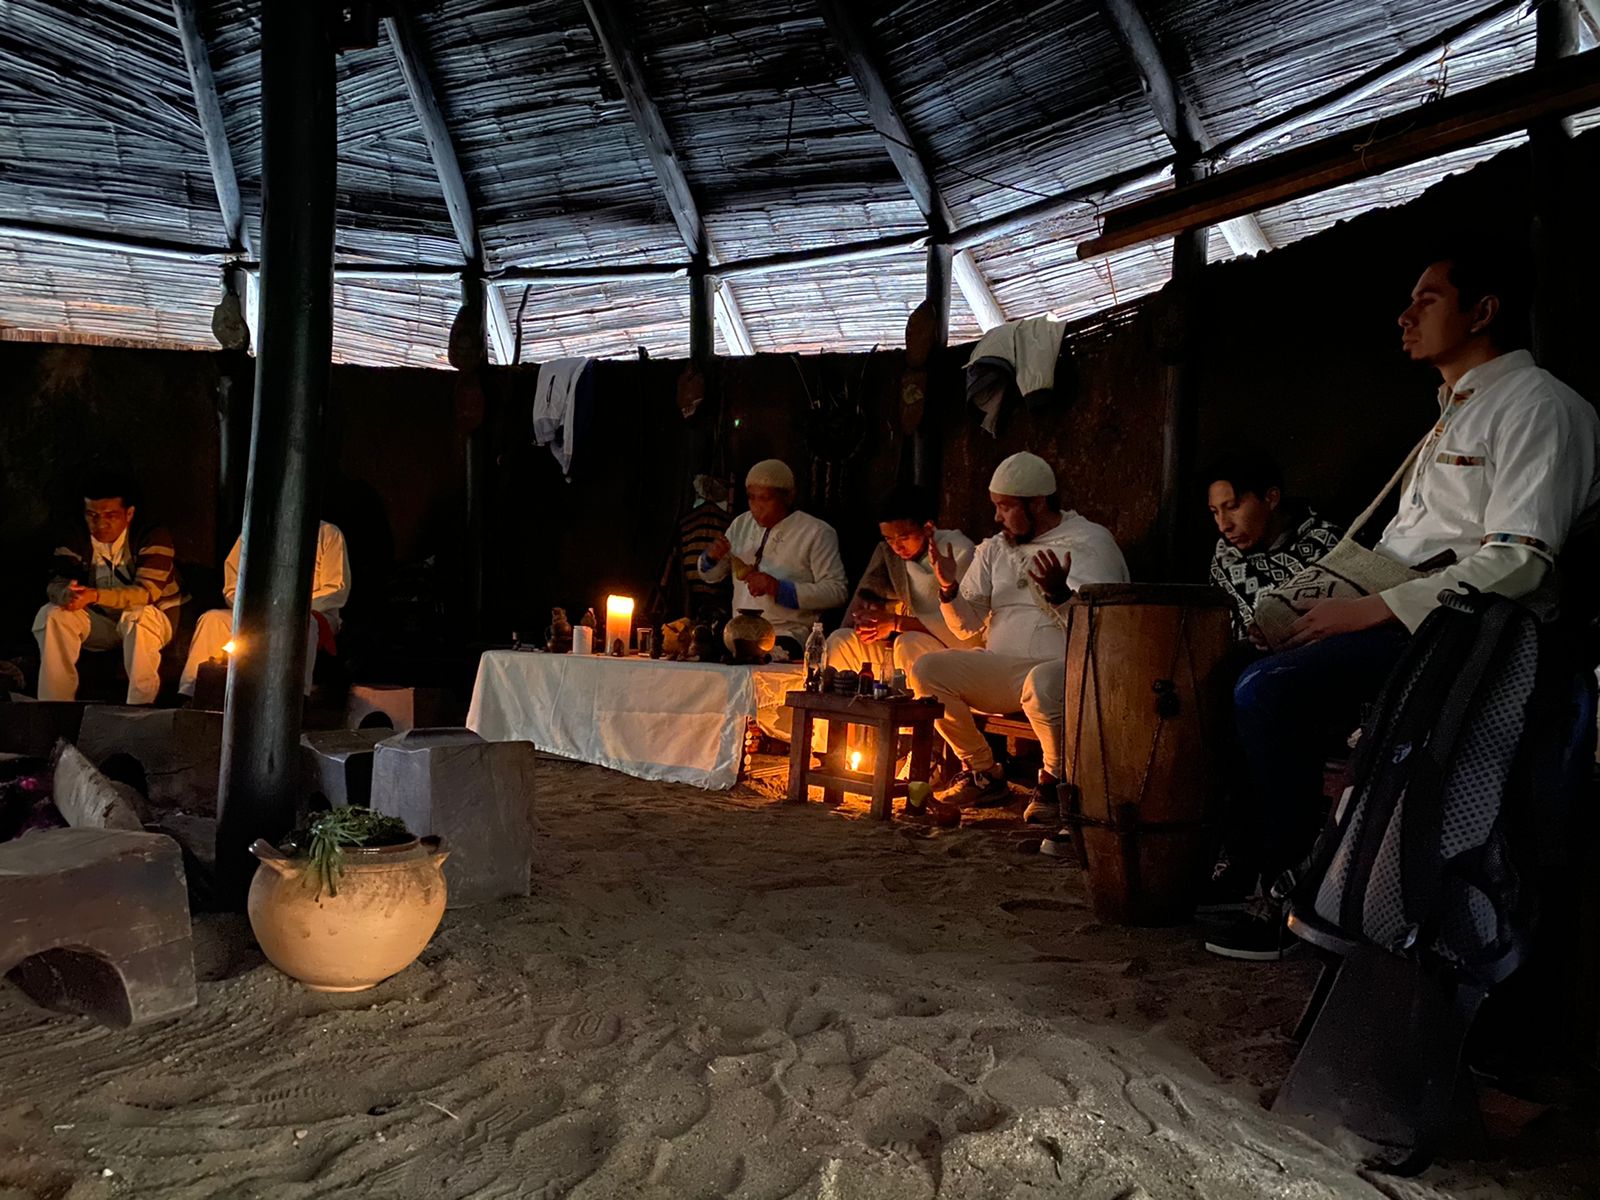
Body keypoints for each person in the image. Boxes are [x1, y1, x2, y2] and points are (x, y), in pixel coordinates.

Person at [1206, 246, 1600, 961]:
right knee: (1229, 669)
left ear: (1483, 312)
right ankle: (1264, 866)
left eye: (1428, 299)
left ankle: (1291, 886)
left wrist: (1369, 611)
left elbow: (1520, 560)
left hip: (1474, 639)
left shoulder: (1541, 407)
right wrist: (1322, 602)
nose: (1405, 314)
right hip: (1411, 618)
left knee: (1268, 694)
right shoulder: (1450, 417)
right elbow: (1403, 546)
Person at [908, 451, 1129, 820]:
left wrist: (1060, 595)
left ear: (1038, 503)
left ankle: (1055, 782)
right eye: (995, 506)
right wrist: (947, 587)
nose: (997, 517)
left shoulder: (1089, 541)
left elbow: (1104, 630)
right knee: (927, 670)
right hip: (1001, 667)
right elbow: (966, 625)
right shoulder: (995, 548)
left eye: (1005, 507)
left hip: (1064, 670)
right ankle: (983, 773)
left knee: (1041, 683)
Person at [33, 473, 184, 705]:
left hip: (153, 619)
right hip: (102, 621)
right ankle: (55, 706)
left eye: (110, 515)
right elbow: (56, 581)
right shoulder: (77, 536)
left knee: (137, 616)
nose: (100, 523)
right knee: (53, 615)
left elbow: (146, 593)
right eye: (92, 515)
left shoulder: (151, 535)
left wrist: (94, 595)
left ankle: (140, 707)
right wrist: (66, 594)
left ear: (129, 513)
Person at [179, 521, 351, 699]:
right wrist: (257, 610)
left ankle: (295, 697)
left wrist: (286, 610)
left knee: (302, 625)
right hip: (257, 613)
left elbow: (335, 590)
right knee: (213, 620)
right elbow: (232, 586)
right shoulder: (252, 532)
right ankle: (192, 693)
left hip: (311, 611)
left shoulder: (327, 533)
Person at [825, 483, 981, 679]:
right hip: (894, 644)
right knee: (840, 641)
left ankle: (915, 708)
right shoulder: (890, 556)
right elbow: (861, 606)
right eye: (889, 539)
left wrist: (896, 623)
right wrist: (868, 623)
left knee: (909, 643)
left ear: (928, 528)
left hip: (946, 655)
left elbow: (963, 633)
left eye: (904, 537)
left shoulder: (959, 553)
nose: (896, 547)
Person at [699, 459, 848, 656]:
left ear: (788, 497)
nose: (756, 506)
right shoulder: (741, 524)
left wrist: (778, 589)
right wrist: (711, 557)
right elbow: (711, 576)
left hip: (787, 634)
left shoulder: (816, 532)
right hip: (737, 632)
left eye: (765, 499)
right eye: (751, 498)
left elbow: (837, 591)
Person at [1206, 451, 1342, 642]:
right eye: (1215, 512)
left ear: (1271, 498)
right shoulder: (1224, 559)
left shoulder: (1328, 544)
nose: (1223, 525)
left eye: (1234, 507)